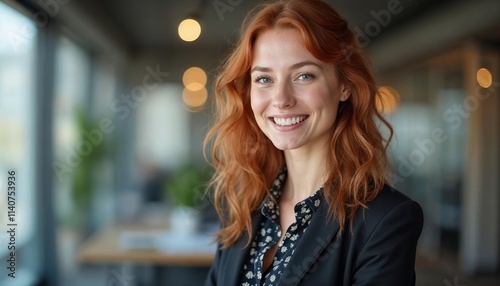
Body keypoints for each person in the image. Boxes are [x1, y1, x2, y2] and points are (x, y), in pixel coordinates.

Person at [203, 0, 424, 285]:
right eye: (264, 79)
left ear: (344, 85)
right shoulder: (244, 207)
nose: (281, 99)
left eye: (303, 75)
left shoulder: (386, 221)